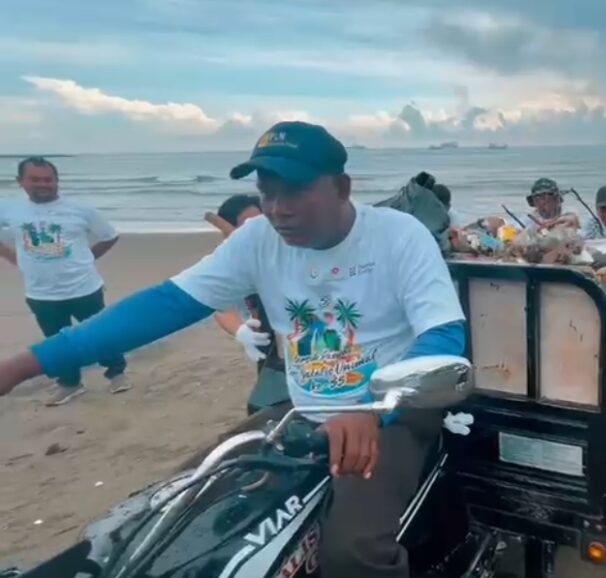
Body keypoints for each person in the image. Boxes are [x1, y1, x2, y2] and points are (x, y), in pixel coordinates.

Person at [0, 121, 467, 577]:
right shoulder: (257, 240)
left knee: (353, 554)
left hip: (395, 411)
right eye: (267, 193)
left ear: (342, 187)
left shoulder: (398, 235)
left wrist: (372, 410)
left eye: (295, 191)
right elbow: (161, 306)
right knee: (178, 510)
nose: (278, 209)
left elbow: (444, 334)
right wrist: (22, 366)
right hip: (302, 410)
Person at [0, 156, 129, 406]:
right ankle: (70, 383)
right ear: (20, 181)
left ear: (57, 181)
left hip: (84, 289)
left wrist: (88, 259)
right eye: (35, 179)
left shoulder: (81, 210)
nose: (43, 184)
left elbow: (109, 236)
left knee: (101, 334)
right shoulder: (9, 209)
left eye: (48, 179)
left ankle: (116, 373)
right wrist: (11, 256)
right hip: (41, 294)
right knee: (57, 342)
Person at [205, 194, 291, 415]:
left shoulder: (289, 245)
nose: (259, 228)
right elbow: (221, 306)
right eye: (249, 225)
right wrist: (240, 331)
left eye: (263, 220)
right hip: (265, 341)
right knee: (271, 402)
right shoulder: (229, 261)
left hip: (305, 333)